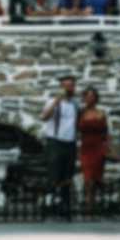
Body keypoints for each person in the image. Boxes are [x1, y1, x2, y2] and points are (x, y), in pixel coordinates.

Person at [41, 75, 79, 217]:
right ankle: (49, 207)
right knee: (53, 176)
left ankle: (64, 207)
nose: (69, 88)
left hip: (70, 143)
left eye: (72, 86)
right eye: (66, 86)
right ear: (61, 87)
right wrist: (56, 101)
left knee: (67, 176)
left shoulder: (75, 105)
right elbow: (44, 117)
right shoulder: (53, 102)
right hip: (55, 142)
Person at [78, 87, 110, 213]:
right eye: (87, 96)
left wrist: (107, 148)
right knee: (88, 177)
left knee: (97, 177)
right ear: (84, 98)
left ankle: (99, 201)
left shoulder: (101, 113)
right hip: (86, 147)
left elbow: (106, 133)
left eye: (92, 96)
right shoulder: (80, 113)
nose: (90, 98)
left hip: (98, 147)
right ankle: (89, 204)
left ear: (96, 98)